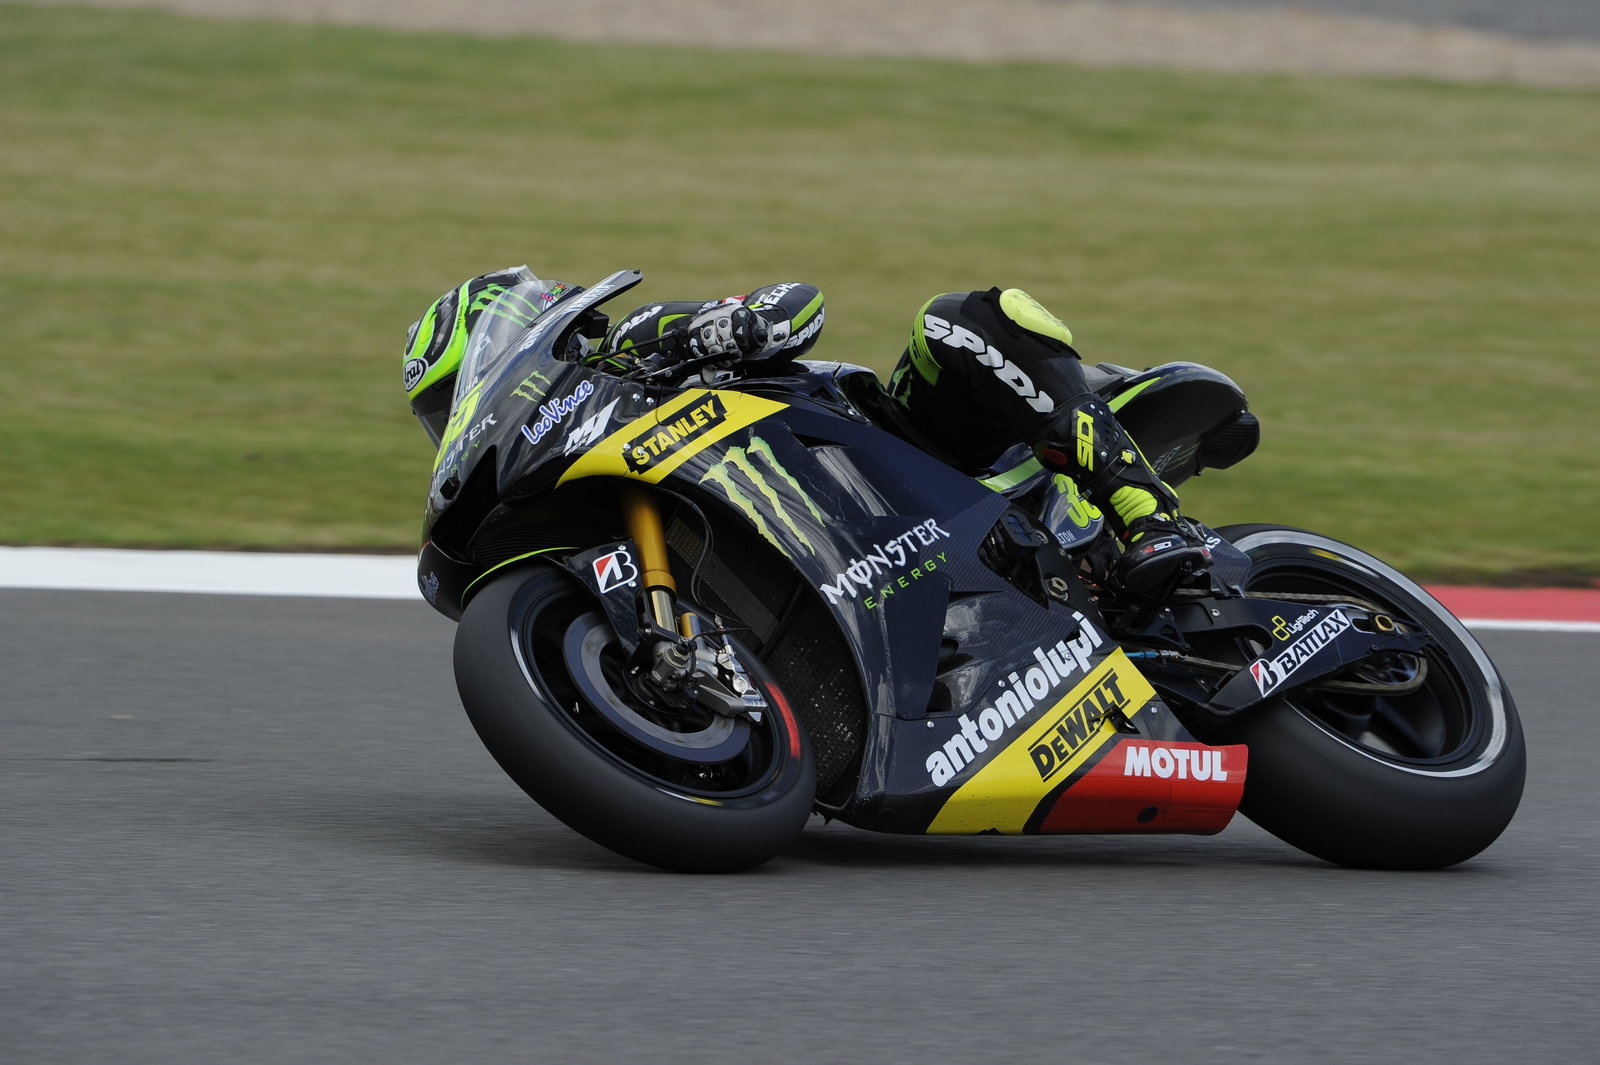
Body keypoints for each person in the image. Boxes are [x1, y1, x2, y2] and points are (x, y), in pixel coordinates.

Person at [403, 267, 1212, 600]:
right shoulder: (602, 522)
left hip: (906, 453)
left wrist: (716, 333)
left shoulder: (631, 344)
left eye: (459, 395)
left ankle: (1147, 513)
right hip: (845, 554)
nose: (463, 419)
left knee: (962, 318)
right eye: (444, 417)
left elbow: (795, 305)